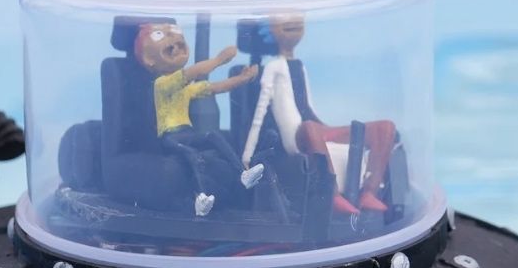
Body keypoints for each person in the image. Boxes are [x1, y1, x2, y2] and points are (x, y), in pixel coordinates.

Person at [241, 12, 396, 217]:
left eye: (297, 18)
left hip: (313, 127)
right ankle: (331, 194)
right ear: (270, 29)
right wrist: (247, 154)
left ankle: (369, 192)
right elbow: (260, 113)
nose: (293, 21)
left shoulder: (300, 65)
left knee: (384, 128)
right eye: (283, 19)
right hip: (296, 136)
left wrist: (325, 130)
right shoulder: (273, 67)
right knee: (310, 128)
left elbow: (308, 105)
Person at [134, 23, 263, 218]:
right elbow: (191, 73)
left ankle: (243, 174)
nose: (174, 41)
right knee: (193, 155)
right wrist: (219, 60)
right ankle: (200, 199)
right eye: (161, 35)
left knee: (213, 137)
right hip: (170, 137)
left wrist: (243, 79)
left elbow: (216, 87)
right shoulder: (161, 84)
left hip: (186, 132)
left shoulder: (185, 90)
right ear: (148, 60)